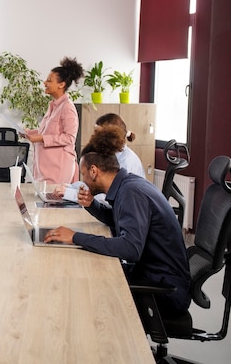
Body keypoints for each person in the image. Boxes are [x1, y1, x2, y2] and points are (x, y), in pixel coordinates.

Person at [43, 125, 191, 315]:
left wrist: (75, 237)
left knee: (83, 290)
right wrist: (92, 205)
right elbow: (119, 221)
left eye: (84, 174)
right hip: (153, 275)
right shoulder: (128, 185)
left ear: (94, 171)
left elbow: (130, 249)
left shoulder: (131, 193)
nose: (83, 179)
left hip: (164, 291)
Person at [57, 112, 145, 202]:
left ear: (112, 135)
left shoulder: (127, 161)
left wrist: (71, 194)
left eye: (98, 133)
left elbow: (108, 198)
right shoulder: (110, 155)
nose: (95, 137)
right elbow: (96, 185)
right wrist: (71, 187)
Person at [24, 57, 84, 184]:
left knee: (54, 202)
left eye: (49, 80)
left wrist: (40, 138)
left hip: (58, 168)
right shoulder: (53, 106)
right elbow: (48, 132)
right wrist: (32, 133)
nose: (45, 83)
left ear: (61, 84)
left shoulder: (67, 108)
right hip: (45, 168)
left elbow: (69, 138)